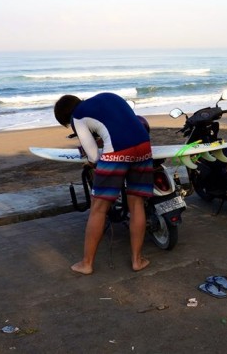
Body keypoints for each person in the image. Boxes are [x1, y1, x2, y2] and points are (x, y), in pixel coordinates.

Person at [54, 92, 153, 274]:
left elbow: (93, 156)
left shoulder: (77, 116)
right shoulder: (110, 97)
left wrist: (93, 162)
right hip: (144, 146)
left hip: (118, 151)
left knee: (98, 208)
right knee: (137, 204)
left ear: (66, 117)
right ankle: (137, 261)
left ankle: (87, 263)